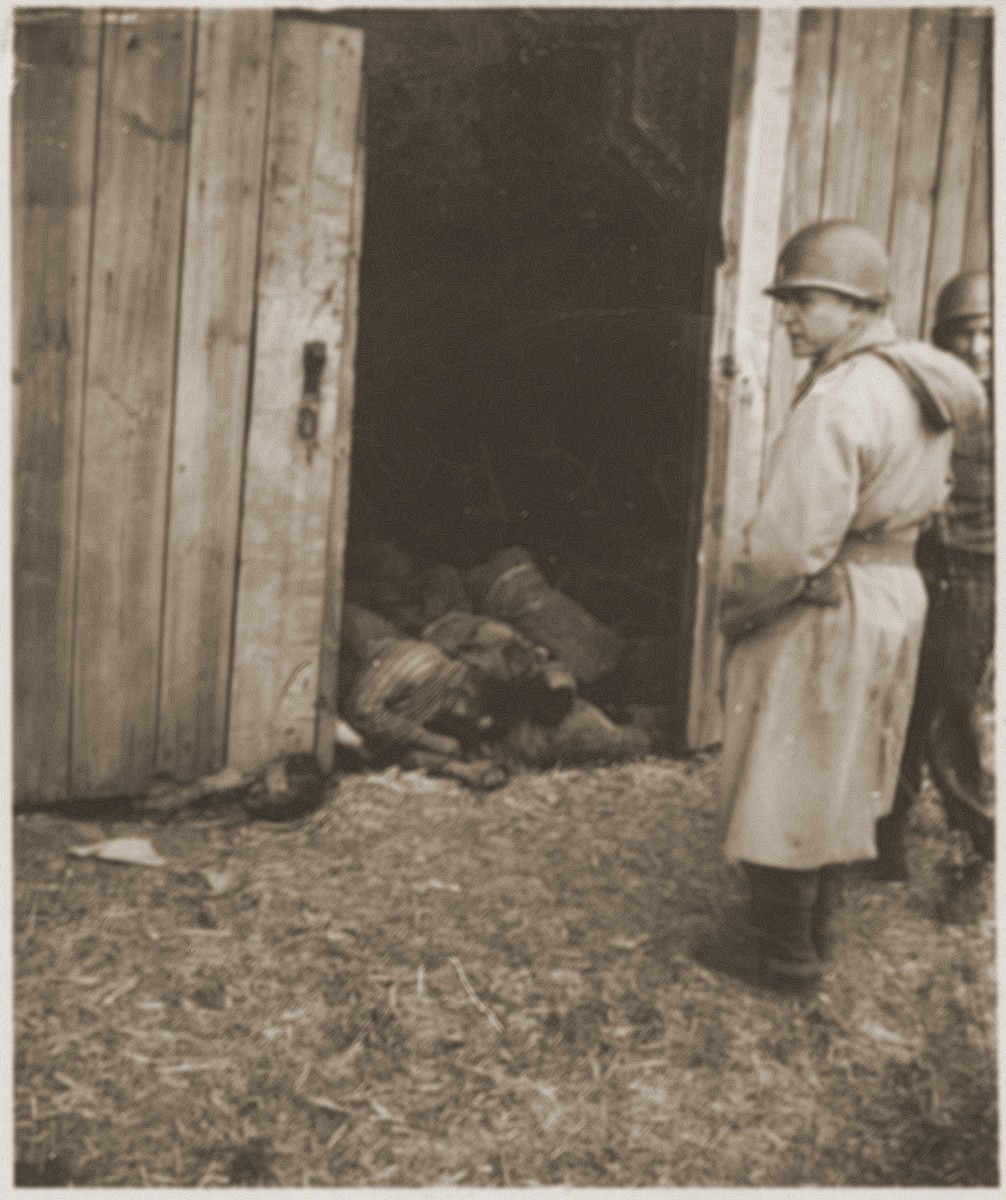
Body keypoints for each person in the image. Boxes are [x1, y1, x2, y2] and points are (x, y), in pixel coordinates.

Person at [698, 220, 986, 992]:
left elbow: (790, 548)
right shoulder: (915, 381)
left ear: (860, 307)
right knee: (845, 761)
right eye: (786, 300)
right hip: (894, 591)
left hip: (833, 596)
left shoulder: (842, 397)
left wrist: (739, 609)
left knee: (786, 766)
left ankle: (783, 956)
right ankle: (814, 930)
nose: (788, 316)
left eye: (806, 301)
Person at [872, 271, 994, 878]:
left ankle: (980, 855)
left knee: (950, 713)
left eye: (988, 333)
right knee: (900, 703)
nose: (976, 348)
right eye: (963, 334)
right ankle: (884, 839)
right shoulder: (930, 394)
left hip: (976, 574)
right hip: (917, 563)